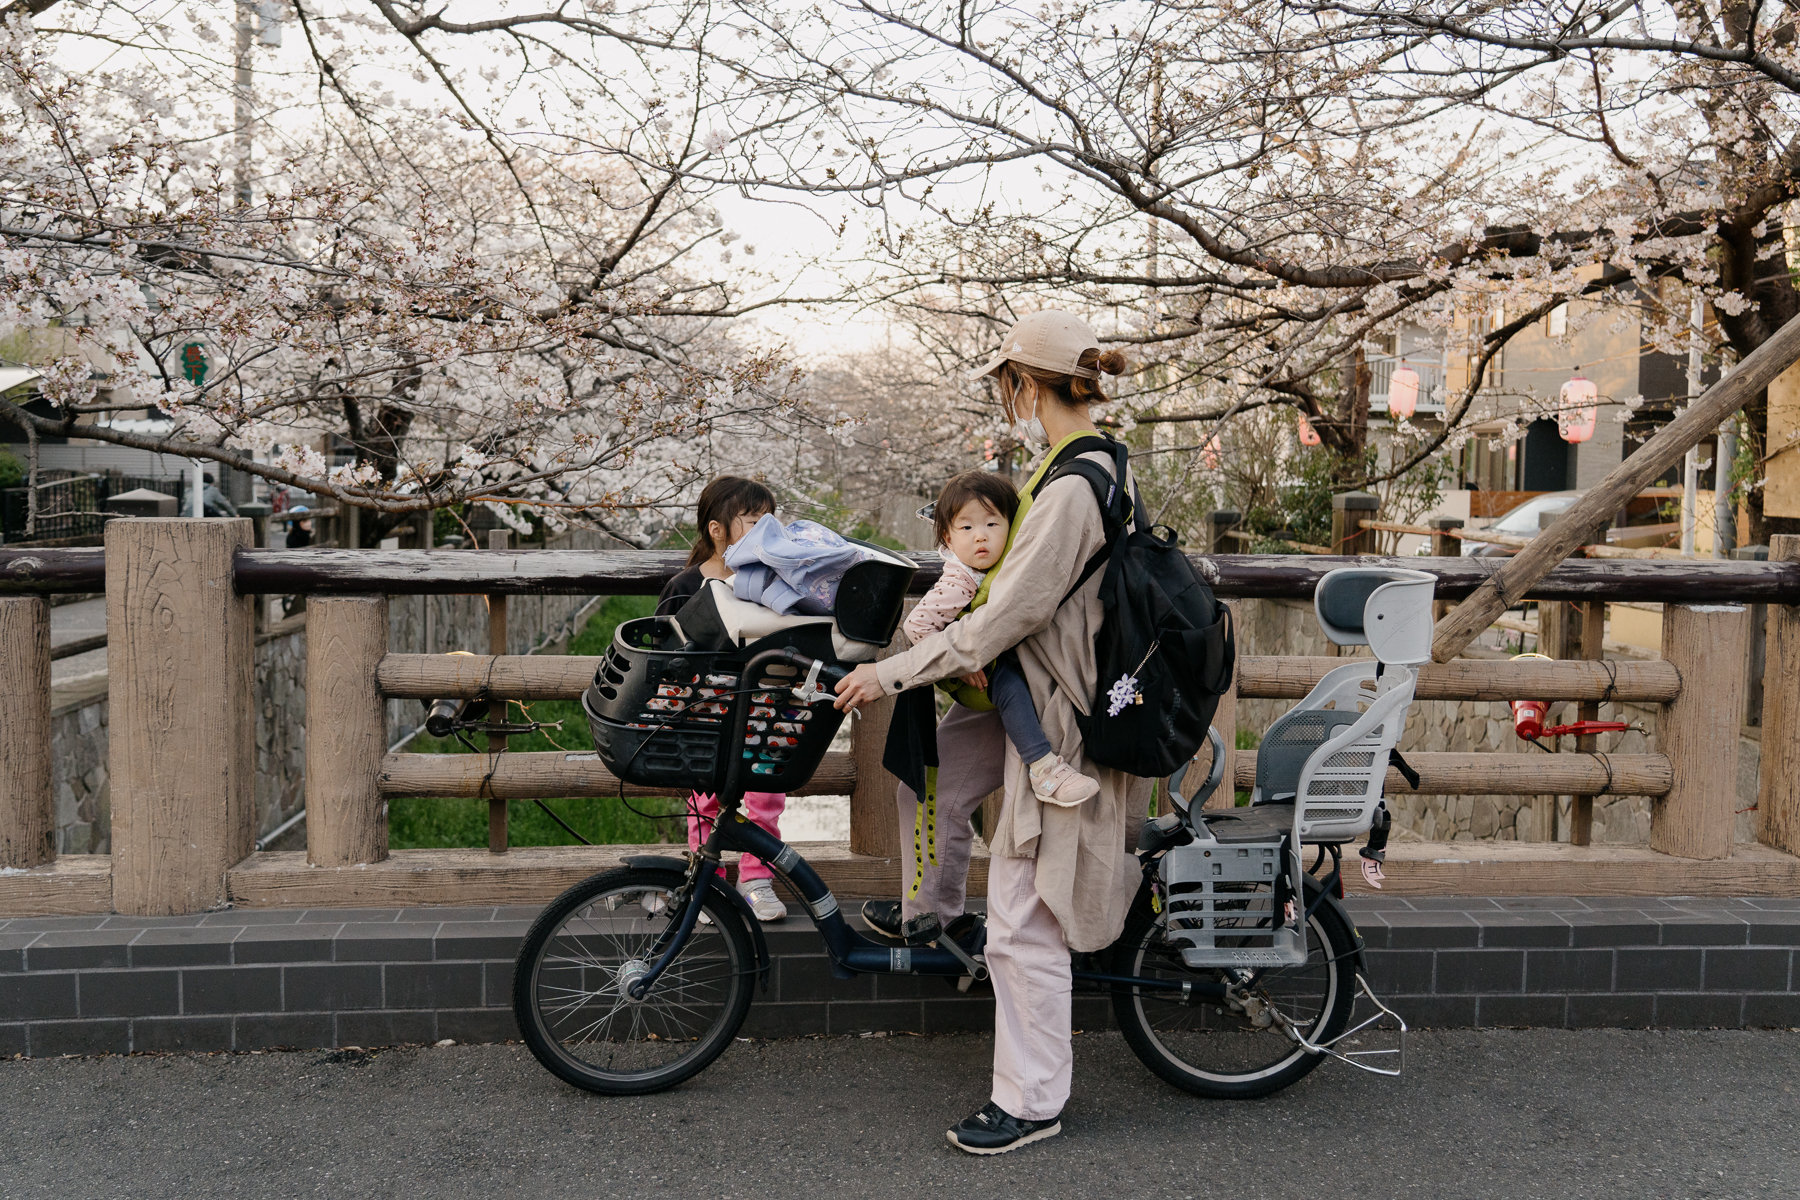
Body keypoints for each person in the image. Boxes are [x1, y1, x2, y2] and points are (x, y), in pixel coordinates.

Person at [834, 310, 1140, 1155]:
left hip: (1056, 716)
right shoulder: (1073, 466)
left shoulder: (1073, 485)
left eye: (1005, 384)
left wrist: (892, 672)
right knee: (931, 778)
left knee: (1021, 920)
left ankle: (1033, 1100)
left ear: (1023, 383)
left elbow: (1008, 614)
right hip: (1025, 700)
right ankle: (934, 910)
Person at [903, 470, 1098, 807]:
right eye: (966, 528)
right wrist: (957, 663)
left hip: (991, 654)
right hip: (976, 672)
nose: (980, 537)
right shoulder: (960, 580)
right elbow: (917, 627)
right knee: (1010, 688)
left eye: (992, 525)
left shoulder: (1003, 565)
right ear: (948, 539)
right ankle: (1043, 767)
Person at [658, 475, 791, 923]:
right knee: (704, 799)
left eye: (770, 523)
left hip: (764, 711)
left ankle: (756, 878)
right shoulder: (684, 586)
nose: (766, 532)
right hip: (705, 714)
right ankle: (705, 881)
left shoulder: (776, 583)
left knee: (766, 795)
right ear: (718, 530)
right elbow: (662, 650)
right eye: (754, 522)